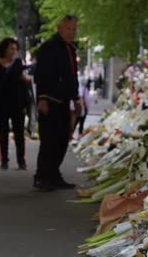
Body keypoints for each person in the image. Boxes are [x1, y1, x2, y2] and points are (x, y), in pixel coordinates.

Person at [34, 15, 82, 191]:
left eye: (74, 30)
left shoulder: (70, 49)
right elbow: (41, 76)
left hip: (64, 100)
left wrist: (76, 98)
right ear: (59, 28)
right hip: (50, 100)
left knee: (62, 139)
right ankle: (42, 176)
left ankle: (53, 173)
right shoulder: (49, 47)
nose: (71, 32)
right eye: (68, 29)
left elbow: (72, 76)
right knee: (49, 140)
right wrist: (42, 98)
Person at [0, 37, 30, 170]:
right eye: (11, 48)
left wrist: (27, 79)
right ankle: (4, 160)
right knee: (2, 133)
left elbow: (24, 78)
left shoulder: (18, 63)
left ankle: (21, 161)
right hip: (0, 104)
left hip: (17, 104)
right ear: (4, 49)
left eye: (16, 49)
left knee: (19, 133)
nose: (14, 51)